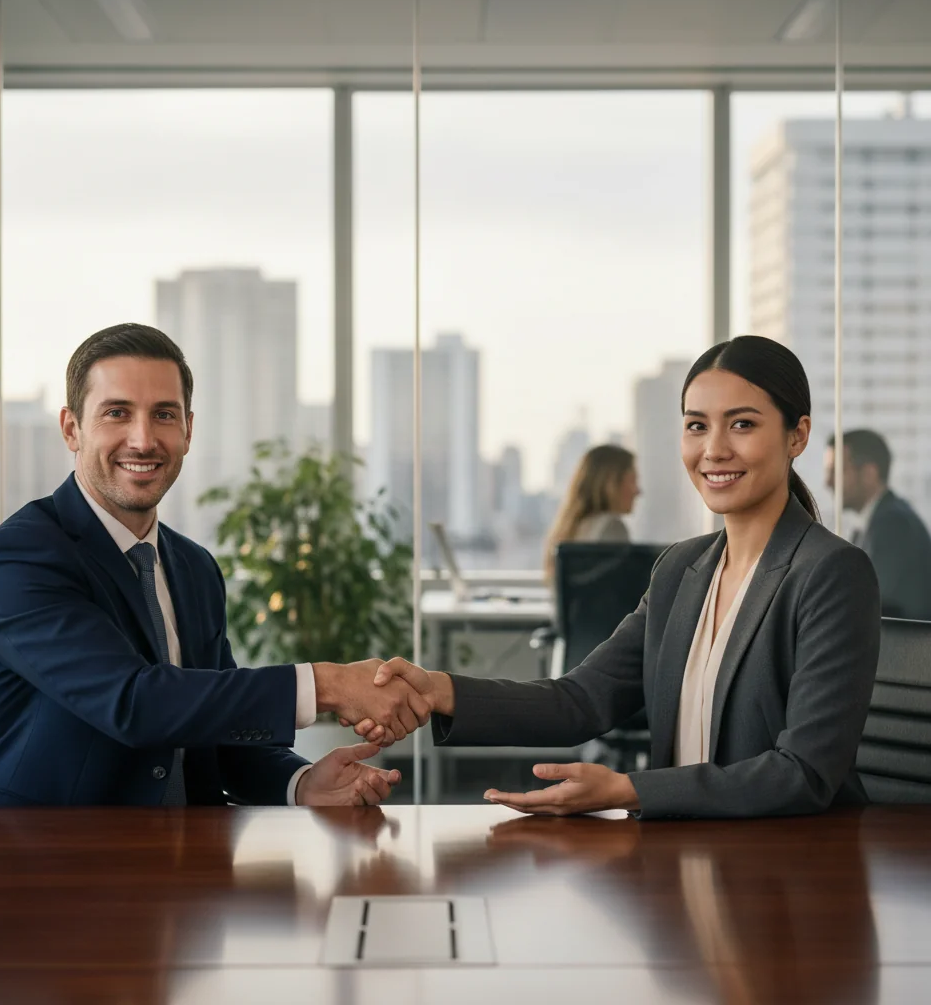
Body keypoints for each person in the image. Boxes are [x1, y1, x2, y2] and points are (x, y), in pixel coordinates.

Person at [356, 336, 882, 819]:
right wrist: (439, 690)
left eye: (742, 424)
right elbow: (580, 701)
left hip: (793, 875)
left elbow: (804, 773)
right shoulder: (681, 571)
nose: (714, 449)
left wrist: (629, 790)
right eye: (697, 425)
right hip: (684, 863)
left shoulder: (831, 573)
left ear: (798, 435)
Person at [0, 324, 431, 807]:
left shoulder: (193, 566)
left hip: (187, 858)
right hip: (42, 857)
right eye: (117, 413)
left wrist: (300, 782)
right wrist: (327, 684)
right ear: (71, 428)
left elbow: (212, 729)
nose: (143, 441)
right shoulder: (20, 557)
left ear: (188, 430)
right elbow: (134, 703)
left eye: (163, 415)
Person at [825, 429, 931, 622]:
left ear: (869, 473)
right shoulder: (879, 520)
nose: (828, 482)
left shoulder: (893, 524)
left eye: (836, 471)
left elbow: (869, 601)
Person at [543, 445, 639, 582]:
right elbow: (620, 589)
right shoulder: (611, 527)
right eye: (633, 480)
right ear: (611, 484)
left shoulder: (571, 528)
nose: (638, 491)